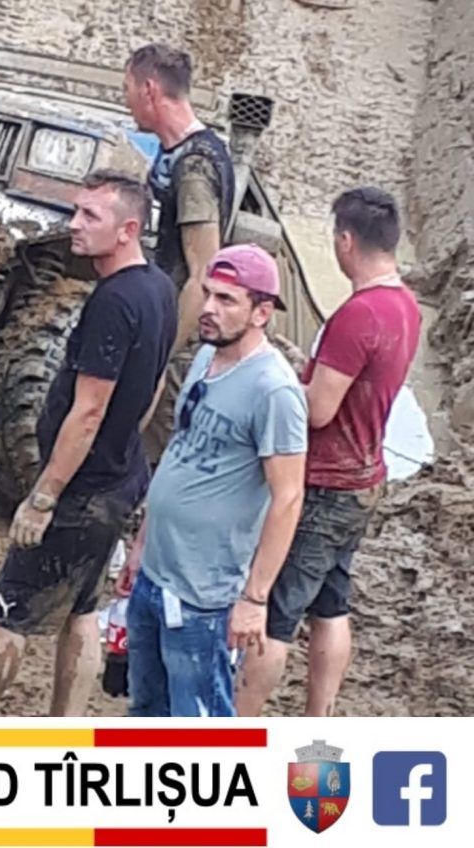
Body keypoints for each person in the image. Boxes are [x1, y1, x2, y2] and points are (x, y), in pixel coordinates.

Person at [0, 172, 177, 716]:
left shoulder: (113, 302)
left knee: (6, 617)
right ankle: (66, 739)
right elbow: (156, 381)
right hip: (119, 480)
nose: (74, 225)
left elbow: (88, 410)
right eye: (76, 211)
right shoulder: (160, 289)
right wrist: (124, 444)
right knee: (82, 609)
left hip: (80, 492)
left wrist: (44, 496)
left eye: (91, 216)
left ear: (128, 230)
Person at [237, 187, 421, 717]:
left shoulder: (358, 315)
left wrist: (274, 383)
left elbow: (318, 409)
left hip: (325, 482)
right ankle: (319, 718)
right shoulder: (406, 307)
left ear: (345, 241)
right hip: (365, 475)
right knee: (331, 604)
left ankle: (237, 726)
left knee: (274, 613)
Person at [116, 244, 307, 717]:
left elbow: (288, 497)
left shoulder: (274, 391)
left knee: (200, 724)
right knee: (146, 710)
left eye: (226, 300)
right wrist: (141, 544)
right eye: (207, 294)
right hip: (157, 573)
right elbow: (179, 453)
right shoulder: (206, 357)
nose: (208, 308)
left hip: (205, 595)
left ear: (262, 312)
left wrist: (254, 599)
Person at [123, 43, 236, 459]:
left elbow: (204, 272)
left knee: (146, 462)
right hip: (163, 329)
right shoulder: (179, 155)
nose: (125, 100)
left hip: (177, 346)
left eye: (128, 88)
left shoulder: (195, 166)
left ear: (149, 90)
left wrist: (159, 357)